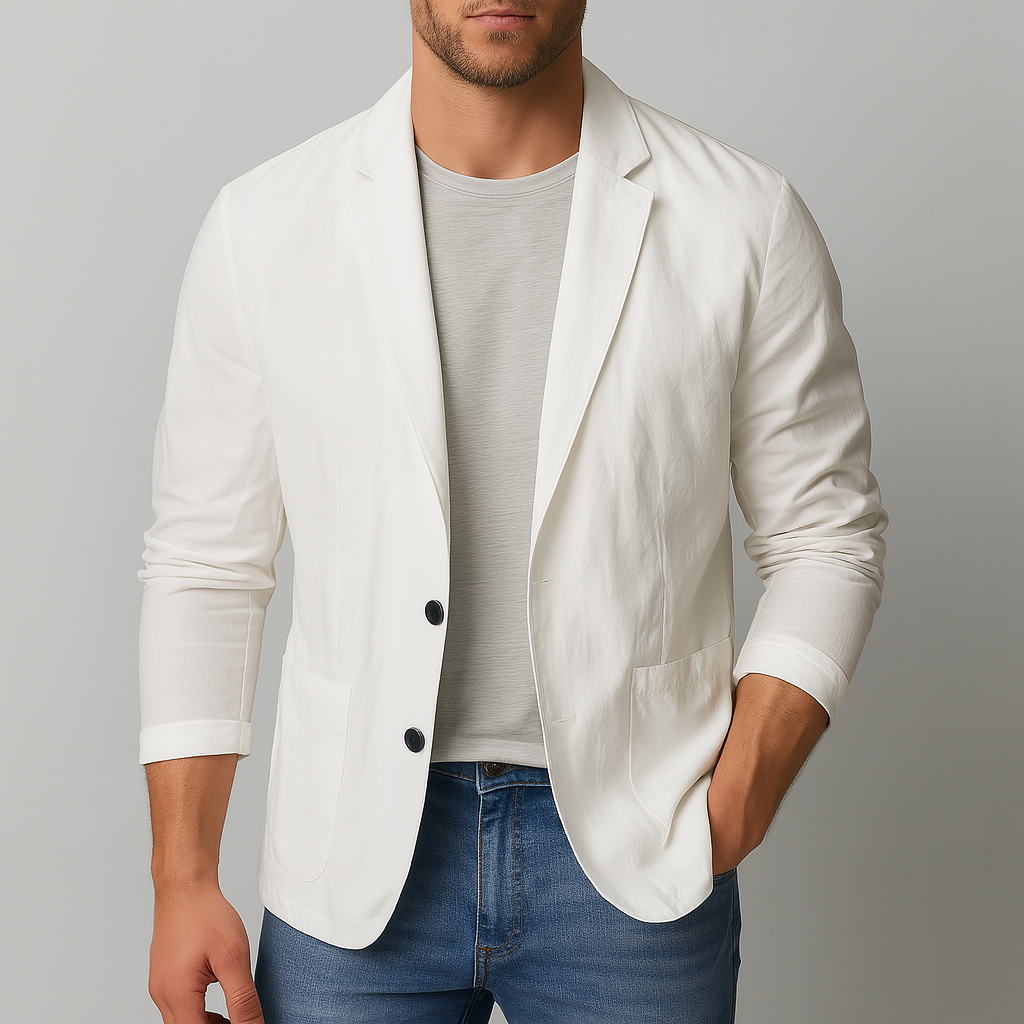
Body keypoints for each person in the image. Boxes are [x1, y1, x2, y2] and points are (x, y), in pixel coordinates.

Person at [140, 2, 886, 1022]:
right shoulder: (264, 227)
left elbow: (826, 533)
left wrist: (742, 790)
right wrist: (182, 874)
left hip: (636, 852)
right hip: (351, 853)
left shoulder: (741, 219)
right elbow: (206, 563)